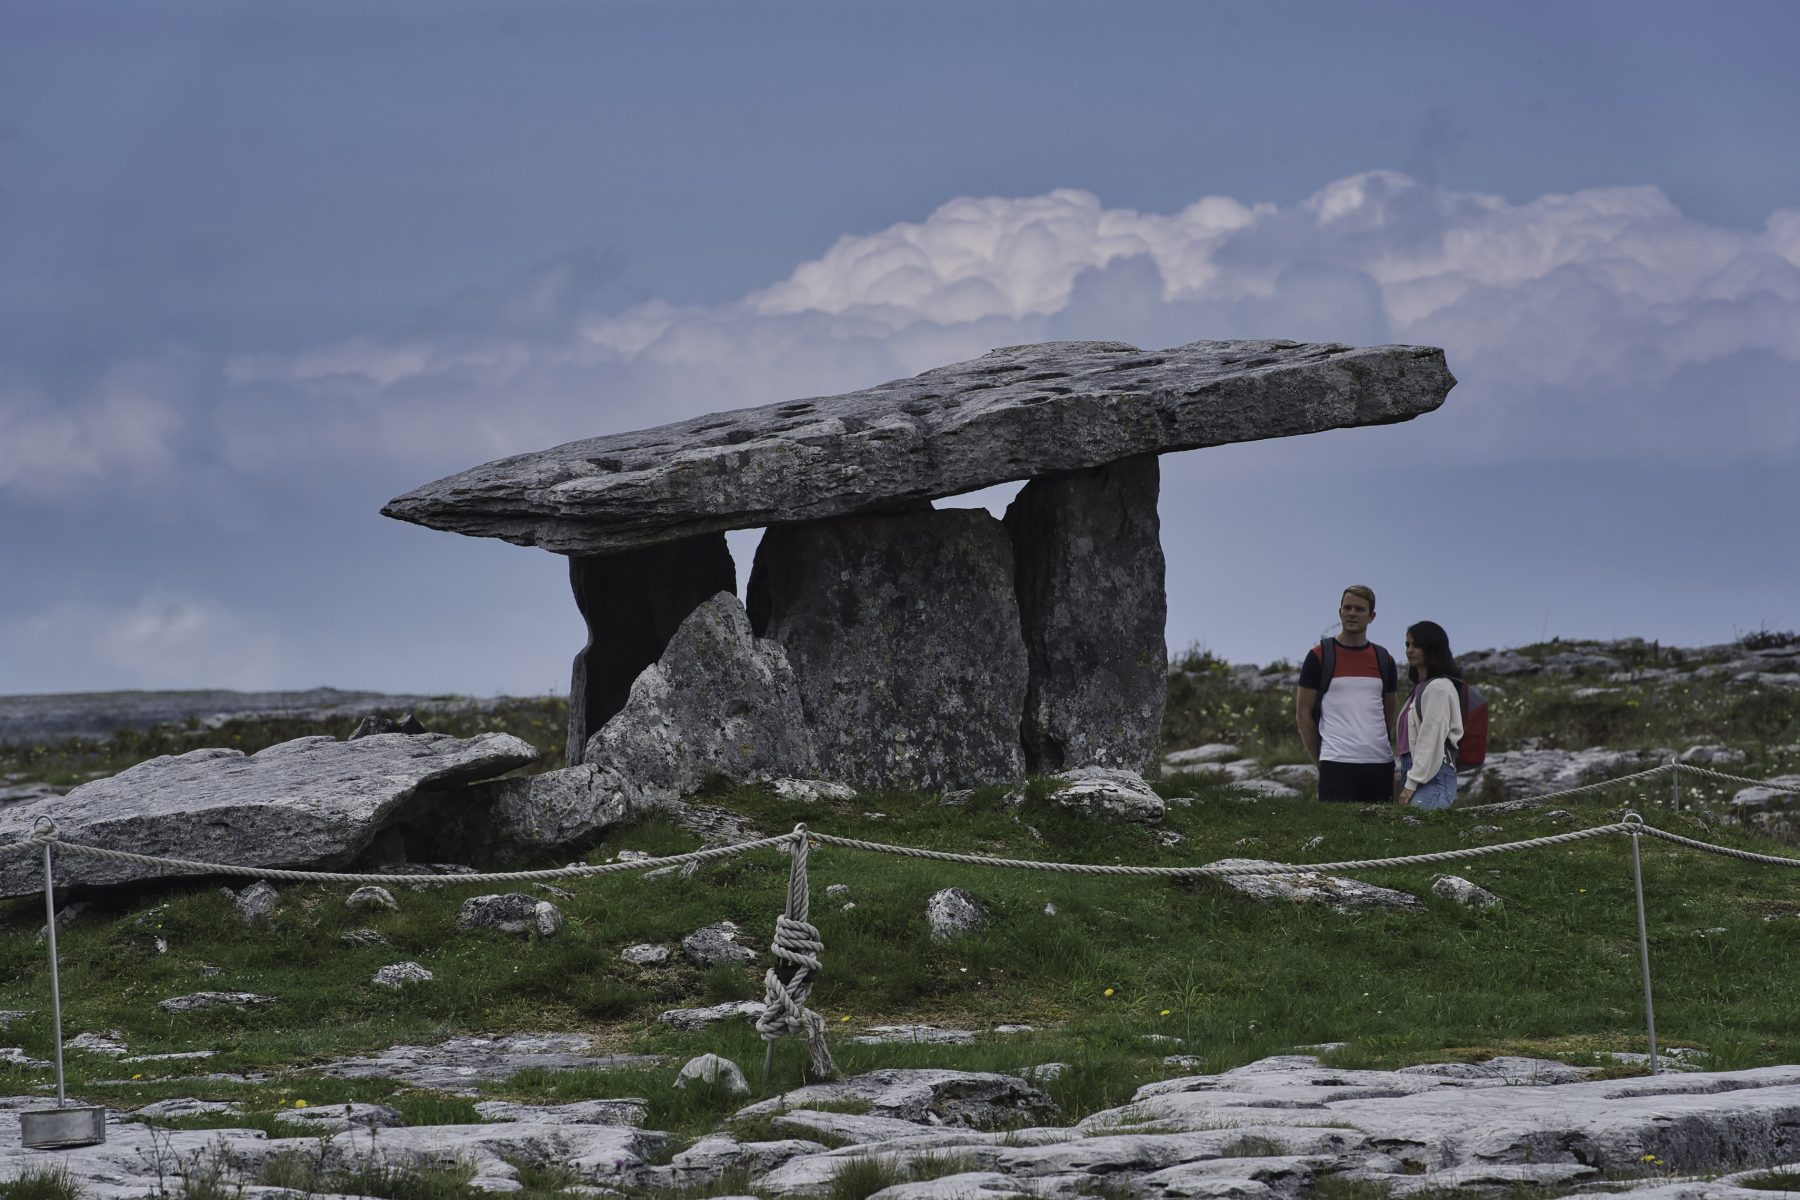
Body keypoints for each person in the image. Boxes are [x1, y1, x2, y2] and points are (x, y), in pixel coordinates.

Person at [1295, 586, 1399, 803]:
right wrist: (1320, 761)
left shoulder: (1384, 659)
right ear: (1339, 612)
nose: (1352, 613)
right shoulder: (1319, 656)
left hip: (1380, 763)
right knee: (1336, 826)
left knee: (1380, 826)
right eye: (1347, 607)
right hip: (1335, 763)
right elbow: (1303, 715)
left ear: (1371, 616)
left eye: (1359, 609)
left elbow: (1388, 713)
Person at [1396, 620, 1465, 810]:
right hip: (1417, 773)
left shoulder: (1438, 688)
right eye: (1407, 644)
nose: (1409, 650)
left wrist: (1410, 784)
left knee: (1415, 827)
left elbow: (1430, 739)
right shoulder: (1419, 688)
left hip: (1433, 776)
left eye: (1416, 645)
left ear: (1432, 648)